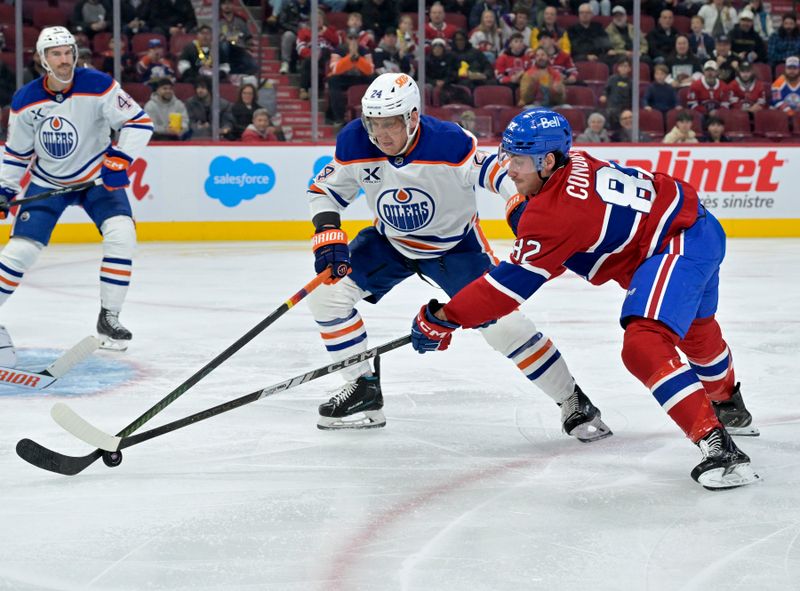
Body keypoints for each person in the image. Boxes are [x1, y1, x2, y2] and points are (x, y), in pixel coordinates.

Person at [409, 108, 760, 490]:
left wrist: (444, 315)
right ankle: (730, 406)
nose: (508, 169)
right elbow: (568, 232)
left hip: (675, 243)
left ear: (547, 161)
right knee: (698, 336)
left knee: (644, 344)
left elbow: (505, 289)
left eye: (519, 160)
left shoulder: (557, 214)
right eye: (506, 156)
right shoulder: (574, 161)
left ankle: (720, 449)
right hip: (699, 228)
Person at [305, 73, 610, 443]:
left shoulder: (449, 143)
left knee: (504, 325)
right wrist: (327, 234)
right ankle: (363, 389)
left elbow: (499, 173)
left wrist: (518, 208)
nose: (380, 134)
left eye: (389, 124)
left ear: (412, 118)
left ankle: (573, 400)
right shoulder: (355, 141)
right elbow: (324, 189)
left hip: (455, 248)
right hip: (391, 242)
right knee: (326, 295)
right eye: (374, 123)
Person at [0, 27, 153, 349]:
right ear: (42, 59)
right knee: (21, 250)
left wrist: (118, 159)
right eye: (56, 54)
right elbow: (17, 153)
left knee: (122, 234)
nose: (65, 59)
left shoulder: (99, 85)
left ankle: (109, 318)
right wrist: (4, 189)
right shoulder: (26, 99)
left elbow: (139, 122)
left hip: (95, 177)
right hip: (49, 179)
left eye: (69, 52)